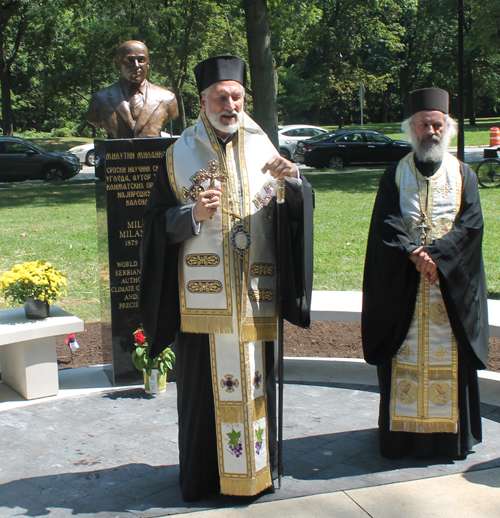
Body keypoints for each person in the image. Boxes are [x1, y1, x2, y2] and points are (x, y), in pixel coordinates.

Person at [139, 55, 313, 502]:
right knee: (202, 396)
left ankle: (258, 473)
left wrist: (294, 184)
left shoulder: (264, 146)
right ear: (203, 101)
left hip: (257, 294)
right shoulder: (178, 154)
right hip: (204, 302)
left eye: (237, 96)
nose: (230, 105)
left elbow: (297, 206)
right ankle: (205, 477)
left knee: (256, 387)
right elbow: (154, 224)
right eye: (221, 97)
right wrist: (192, 214)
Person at [362, 87, 489, 460]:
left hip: (448, 289)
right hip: (406, 288)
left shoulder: (463, 173)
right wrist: (414, 255)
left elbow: (471, 225)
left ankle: (450, 438)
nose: (430, 131)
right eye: (422, 125)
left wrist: (438, 256)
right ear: (411, 129)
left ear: (447, 128)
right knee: (402, 354)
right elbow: (386, 223)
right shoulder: (394, 174)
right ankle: (401, 438)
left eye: (437, 125)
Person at [87, 40, 178, 138]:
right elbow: (93, 119)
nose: (136, 65)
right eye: (130, 60)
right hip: (116, 152)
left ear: (148, 63)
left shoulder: (168, 98)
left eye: (141, 60)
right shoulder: (100, 99)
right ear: (117, 64)